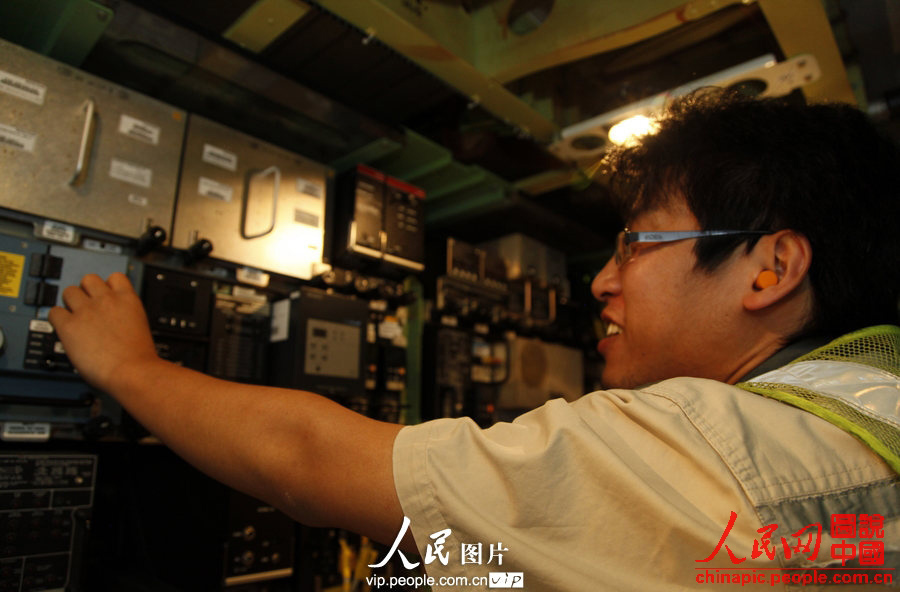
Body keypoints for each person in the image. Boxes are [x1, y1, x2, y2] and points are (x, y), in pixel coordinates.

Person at [48, 90, 900, 591]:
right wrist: (425, 558)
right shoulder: (862, 413)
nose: (602, 282)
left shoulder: (719, 448)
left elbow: (305, 461)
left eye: (637, 242)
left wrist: (128, 365)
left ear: (771, 268)